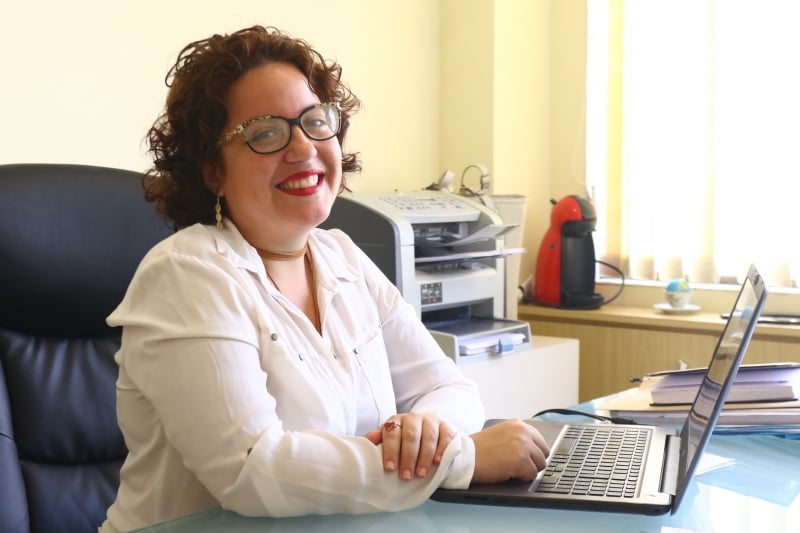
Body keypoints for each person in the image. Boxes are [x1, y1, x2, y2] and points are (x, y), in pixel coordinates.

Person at [99, 25, 550, 533]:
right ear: (211, 171)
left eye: (316, 123)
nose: (303, 148)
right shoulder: (188, 273)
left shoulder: (341, 257)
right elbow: (254, 471)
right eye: (266, 133)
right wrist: (459, 459)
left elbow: (450, 387)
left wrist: (421, 430)